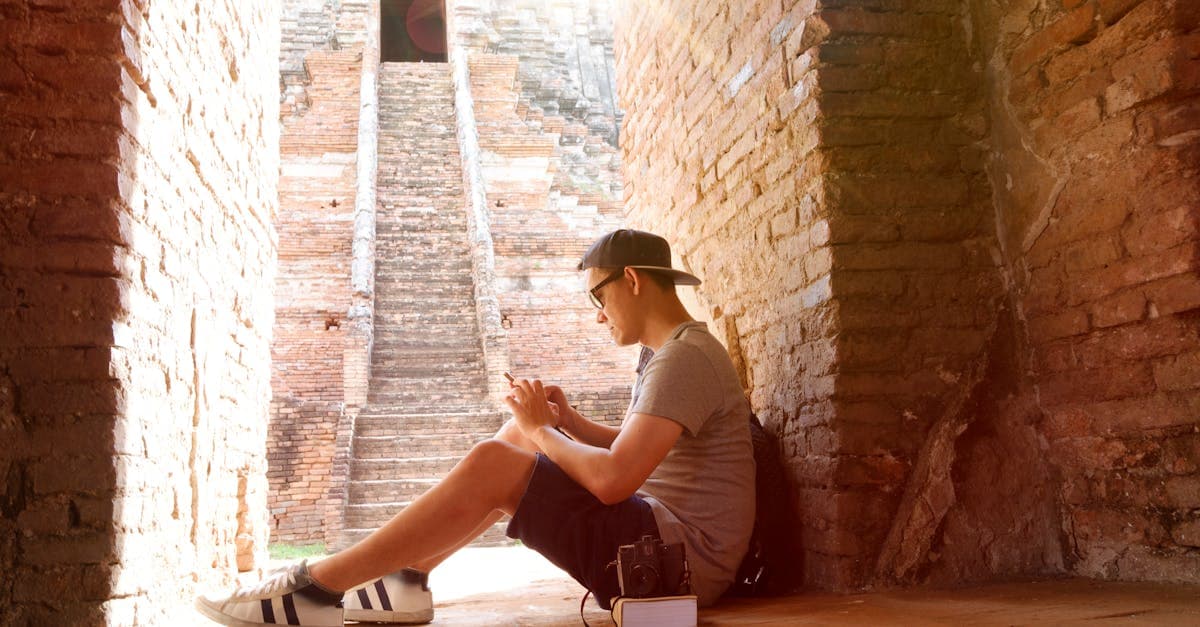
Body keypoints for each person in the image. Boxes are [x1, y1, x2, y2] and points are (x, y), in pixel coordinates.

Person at [196, 229, 756, 626]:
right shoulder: (673, 354)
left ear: (631, 279)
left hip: (679, 565)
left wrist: (545, 432)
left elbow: (614, 482)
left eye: (598, 294)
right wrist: (566, 424)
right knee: (510, 439)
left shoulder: (684, 359)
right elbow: (634, 450)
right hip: (665, 541)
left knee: (501, 458)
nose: (597, 312)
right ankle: (409, 579)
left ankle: (315, 588)